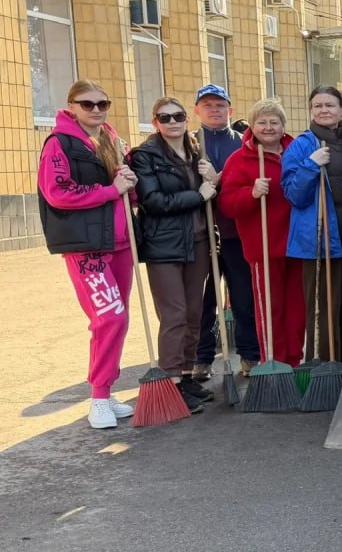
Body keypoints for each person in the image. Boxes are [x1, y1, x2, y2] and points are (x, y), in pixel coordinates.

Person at [37, 81, 139, 429]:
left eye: (102, 103)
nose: (96, 109)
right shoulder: (59, 143)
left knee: (115, 320)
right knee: (111, 318)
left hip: (120, 242)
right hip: (86, 247)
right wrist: (110, 190)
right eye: (87, 104)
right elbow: (57, 192)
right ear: (71, 106)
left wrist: (128, 182)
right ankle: (97, 397)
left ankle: (106, 391)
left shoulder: (110, 138)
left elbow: (123, 189)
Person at [129, 97, 220, 413]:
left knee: (195, 313)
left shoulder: (197, 151)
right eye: (164, 117)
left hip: (197, 242)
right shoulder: (145, 156)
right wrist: (197, 194)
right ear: (155, 121)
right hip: (164, 246)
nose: (172, 122)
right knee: (175, 314)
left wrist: (212, 179)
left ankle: (186, 373)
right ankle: (170, 383)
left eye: (178, 116)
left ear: (186, 118)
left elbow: (209, 193)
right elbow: (153, 201)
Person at [218, 98, 305, 368]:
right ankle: (274, 362)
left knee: (297, 310)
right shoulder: (240, 159)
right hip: (264, 246)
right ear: (252, 126)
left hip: (297, 244)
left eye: (274, 122)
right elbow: (226, 204)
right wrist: (251, 193)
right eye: (262, 122)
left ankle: (293, 361)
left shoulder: (296, 152)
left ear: (283, 125)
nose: (268, 128)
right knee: (270, 309)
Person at [280, 86, 342, 363]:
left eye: (330, 105)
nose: (324, 110)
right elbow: (294, 194)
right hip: (321, 238)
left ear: (341, 109)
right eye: (318, 105)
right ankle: (323, 366)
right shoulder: (302, 145)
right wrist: (310, 166)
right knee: (324, 307)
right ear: (311, 110)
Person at [191, 85, 261, 379]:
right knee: (204, 300)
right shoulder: (190, 143)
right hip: (201, 233)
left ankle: (250, 355)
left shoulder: (243, 143)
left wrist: (219, 179)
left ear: (230, 110)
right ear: (197, 110)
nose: (214, 110)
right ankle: (202, 358)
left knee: (243, 297)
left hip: (235, 232)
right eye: (208, 105)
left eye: (220, 105)